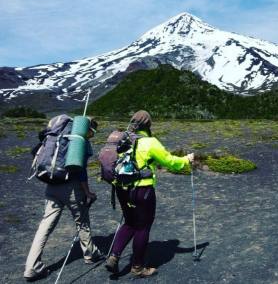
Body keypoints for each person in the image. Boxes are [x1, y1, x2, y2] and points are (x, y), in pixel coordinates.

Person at [105, 110, 194, 277]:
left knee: (129, 222)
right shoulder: (150, 142)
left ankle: (114, 255)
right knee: (142, 227)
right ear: (148, 124)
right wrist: (186, 160)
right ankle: (138, 267)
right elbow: (170, 161)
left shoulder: (123, 140)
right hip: (142, 190)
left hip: (121, 189)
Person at [24, 117, 104, 281]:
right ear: (87, 128)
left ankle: (32, 267)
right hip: (72, 188)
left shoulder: (57, 136)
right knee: (82, 221)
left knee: (45, 226)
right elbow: (81, 171)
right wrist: (88, 193)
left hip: (52, 184)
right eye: (93, 131)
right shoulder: (80, 142)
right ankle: (90, 254)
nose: (93, 135)